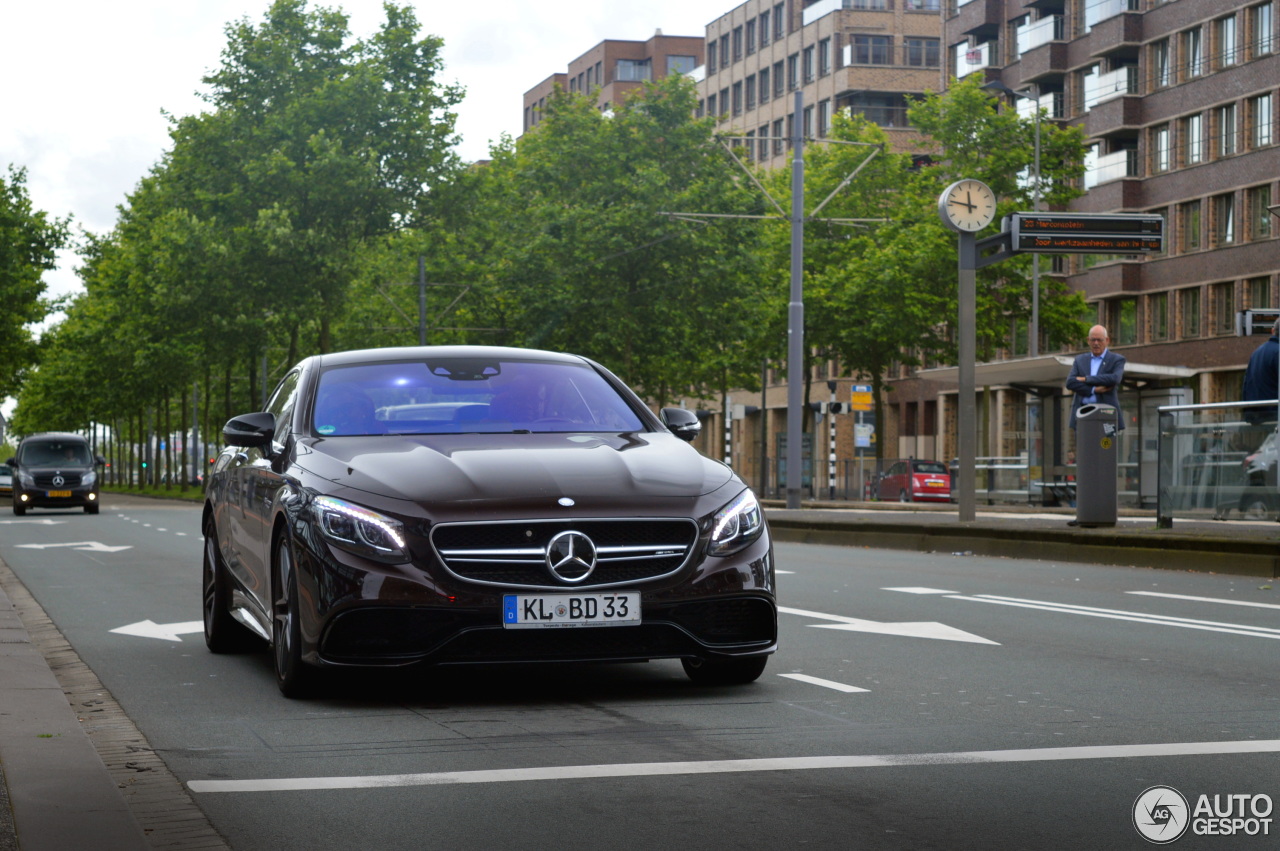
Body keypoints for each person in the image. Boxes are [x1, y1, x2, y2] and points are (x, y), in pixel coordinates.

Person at [1066, 325, 1126, 431]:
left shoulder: (1116, 359)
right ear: (1088, 340)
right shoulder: (1080, 360)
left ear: (1107, 340)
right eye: (1093, 340)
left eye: (1100, 340)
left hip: (1106, 415)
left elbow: (1114, 378)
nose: (1096, 343)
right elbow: (1070, 382)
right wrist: (1093, 389)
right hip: (1082, 415)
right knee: (1083, 447)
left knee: (1106, 447)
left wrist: (1086, 379)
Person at [1241, 316, 1279, 426]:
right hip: (1274, 416)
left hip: (1255, 416)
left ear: (1272, 331)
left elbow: (1247, 384)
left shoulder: (1257, 352)